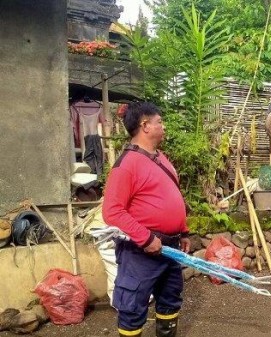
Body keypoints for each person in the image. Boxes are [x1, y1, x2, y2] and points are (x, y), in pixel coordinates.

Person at [103, 102, 191, 337]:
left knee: (170, 299)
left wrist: (183, 231)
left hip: (169, 247)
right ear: (145, 126)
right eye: (159, 122)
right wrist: (146, 238)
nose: (163, 126)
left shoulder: (161, 158)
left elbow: (173, 196)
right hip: (140, 251)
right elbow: (112, 211)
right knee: (132, 308)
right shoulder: (126, 165)